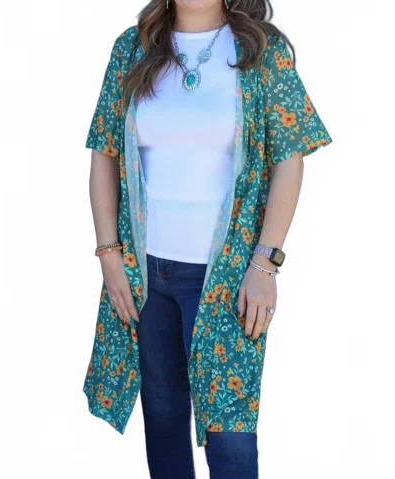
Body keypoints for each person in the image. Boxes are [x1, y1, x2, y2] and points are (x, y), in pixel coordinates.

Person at [83, 1, 333, 478]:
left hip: (228, 277)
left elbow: (290, 158)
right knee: (163, 421)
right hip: (144, 274)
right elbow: (104, 153)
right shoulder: (133, 48)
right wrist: (109, 255)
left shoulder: (260, 51)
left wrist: (265, 264)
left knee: (230, 435)